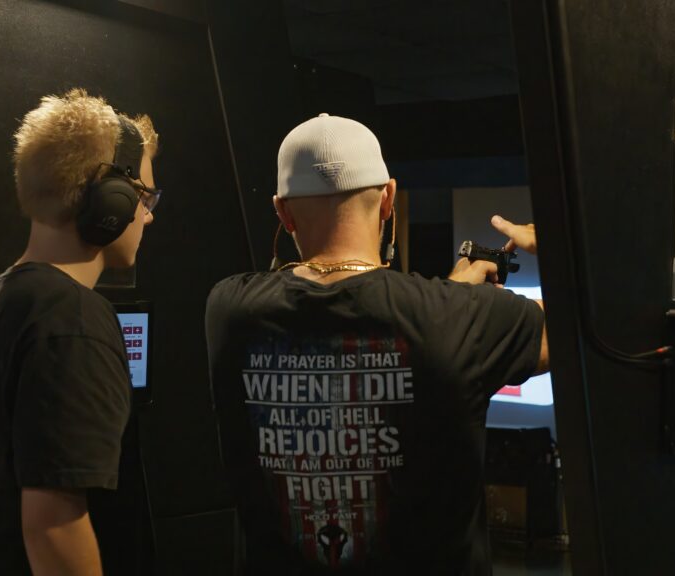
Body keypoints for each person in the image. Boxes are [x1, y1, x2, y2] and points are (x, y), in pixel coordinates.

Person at [205, 113, 548, 575]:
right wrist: (544, 249)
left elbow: (354, 316)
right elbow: (579, 331)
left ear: (282, 212)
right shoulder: (456, 318)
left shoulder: (227, 309)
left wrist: (452, 300)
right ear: (388, 198)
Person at [0, 88, 160, 575]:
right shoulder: (73, 321)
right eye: (144, 196)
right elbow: (53, 528)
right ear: (112, 198)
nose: (148, 215)